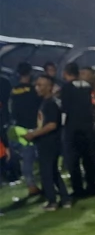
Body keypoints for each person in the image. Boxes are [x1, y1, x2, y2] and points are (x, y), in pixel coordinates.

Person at [25, 74, 71, 211]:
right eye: (36, 85)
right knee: (53, 171)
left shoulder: (50, 103)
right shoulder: (47, 102)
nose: (36, 87)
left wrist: (34, 134)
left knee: (46, 172)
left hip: (49, 142)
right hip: (51, 141)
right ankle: (65, 198)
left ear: (49, 87)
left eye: (40, 85)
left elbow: (51, 125)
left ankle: (52, 201)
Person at [61, 63, 95, 198]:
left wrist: (63, 126)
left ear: (66, 73)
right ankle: (92, 186)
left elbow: (64, 109)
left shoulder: (66, 88)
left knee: (73, 160)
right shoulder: (87, 86)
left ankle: (78, 189)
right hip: (88, 127)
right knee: (88, 158)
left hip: (73, 128)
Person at [8, 63, 42, 197]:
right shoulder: (34, 89)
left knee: (27, 158)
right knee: (41, 156)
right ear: (30, 73)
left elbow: (12, 110)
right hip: (35, 127)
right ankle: (47, 182)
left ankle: (31, 185)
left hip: (20, 128)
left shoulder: (14, 91)